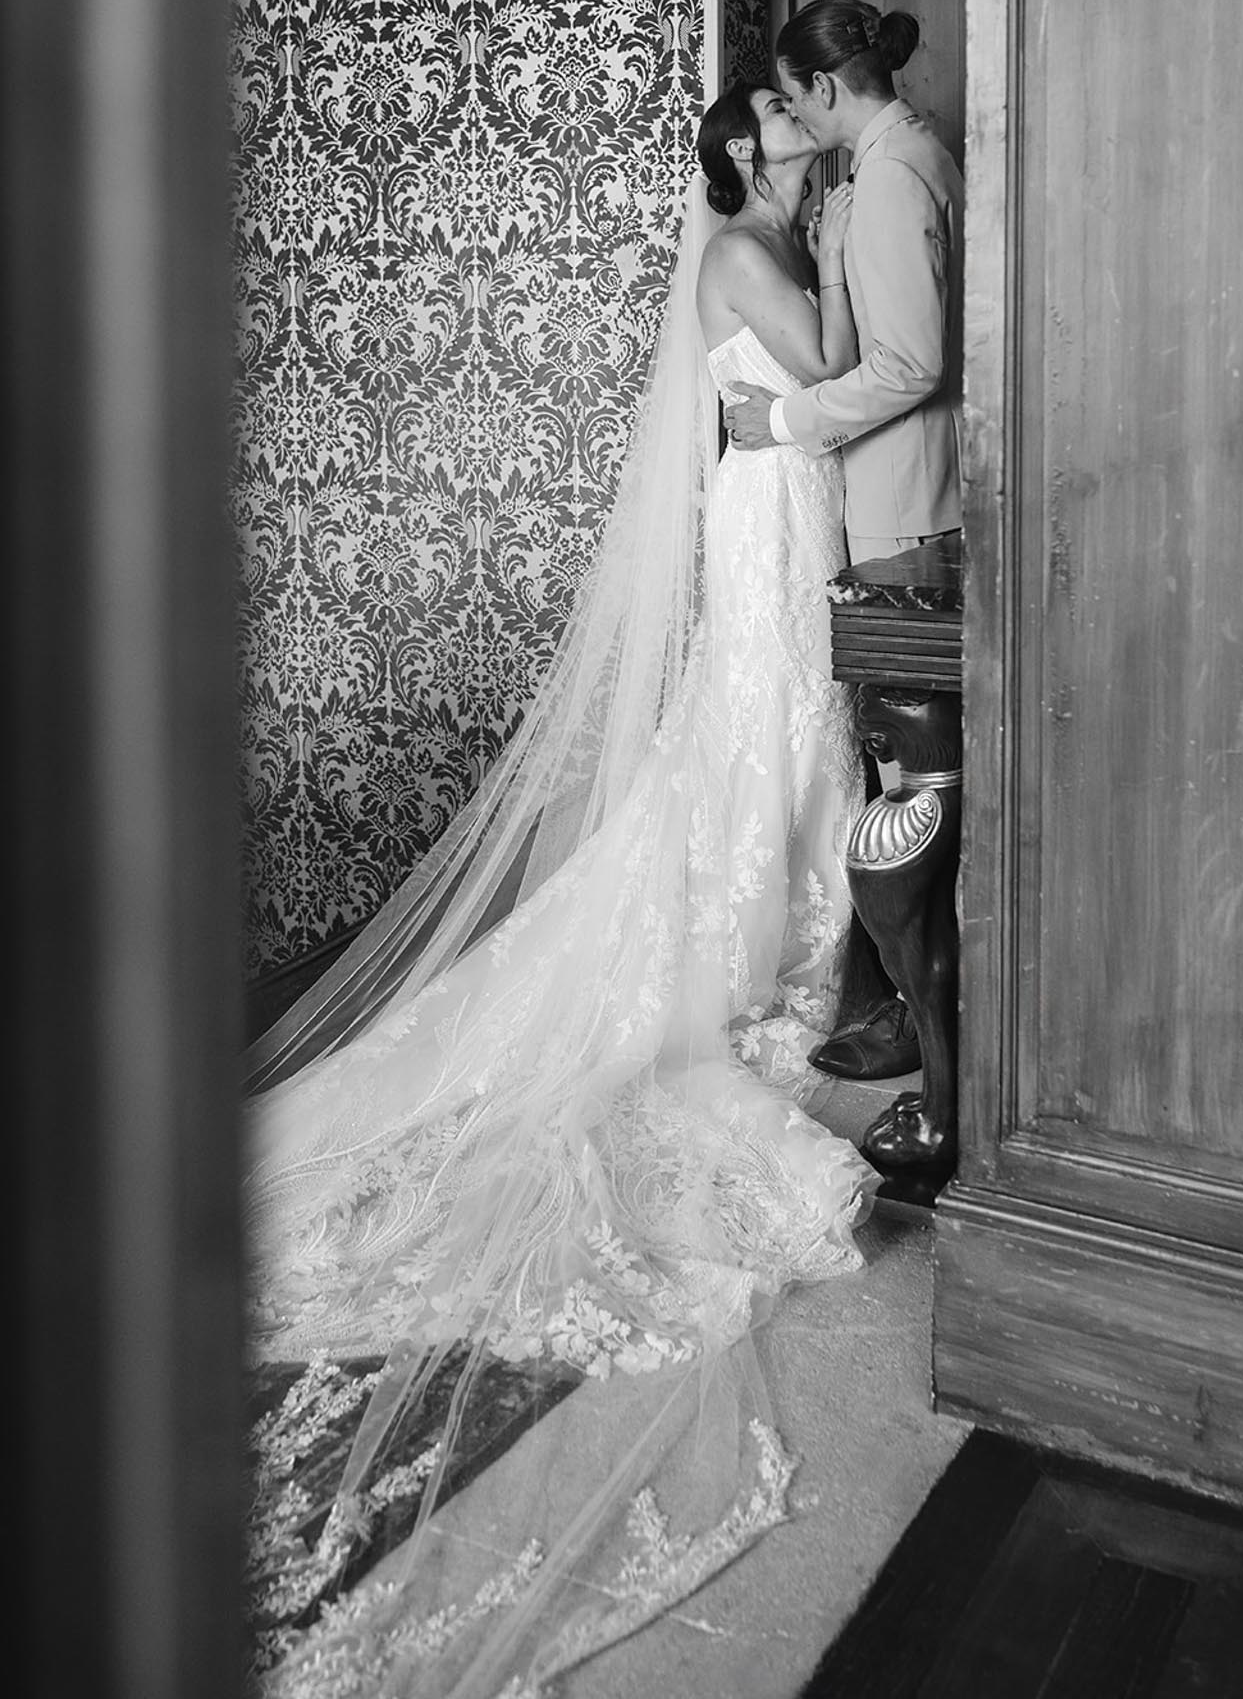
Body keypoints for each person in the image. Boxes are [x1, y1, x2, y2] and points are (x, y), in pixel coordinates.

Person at [242, 82, 882, 1698]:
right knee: (768, 721)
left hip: (778, 500)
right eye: (792, 122)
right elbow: (828, 378)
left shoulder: (765, 234)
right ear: (748, 152)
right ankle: (779, 933)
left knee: (790, 728)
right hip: (769, 512)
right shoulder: (749, 248)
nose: (812, 135)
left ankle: (804, 916)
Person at [724, 0, 964, 1092]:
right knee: (899, 763)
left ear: (823, 89)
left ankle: (919, 1016)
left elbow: (905, 363)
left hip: (900, 500)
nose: (790, 113)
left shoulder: (892, 173)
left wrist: (782, 422)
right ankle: (901, 1000)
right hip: (864, 498)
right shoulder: (896, 162)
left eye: (790, 91)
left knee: (914, 774)